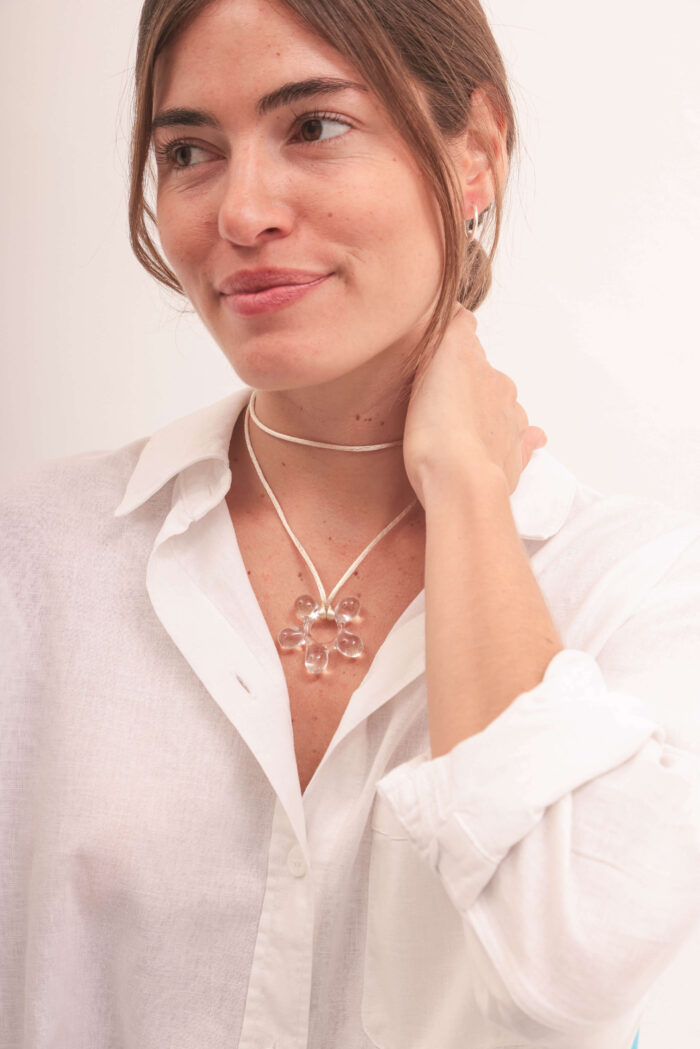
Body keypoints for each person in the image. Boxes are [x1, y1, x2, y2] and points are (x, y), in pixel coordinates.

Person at [1, 0, 699, 1046]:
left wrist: (465, 486)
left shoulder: (640, 592)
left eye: (315, 126)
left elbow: (561, 974)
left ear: (475, 154)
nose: (241, 212)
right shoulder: (35, 558)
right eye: (189, 150)